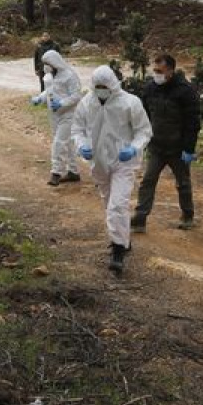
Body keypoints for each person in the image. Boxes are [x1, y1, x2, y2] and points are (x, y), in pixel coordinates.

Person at [72, 66, 152, 274]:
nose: (100, 90)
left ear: (113, 84)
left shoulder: (129, 102)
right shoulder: (86, 102)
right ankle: (124, 239)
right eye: (97, 86)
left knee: (118, 204)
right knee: (110, 204)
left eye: (104, 86)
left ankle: (117, 251)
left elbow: (144, 131)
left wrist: (133, 148)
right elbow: (77, 129)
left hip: (123, 162)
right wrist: (82, 146)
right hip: (99, 163)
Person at [132, 53, 201, 232]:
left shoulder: (185, 91)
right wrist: (142, 138)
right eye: (154, 70)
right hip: (156, 146)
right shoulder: (150, 89)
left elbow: (193, 122)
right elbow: (143, 116)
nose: (156, 74)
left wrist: (189, 148)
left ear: (170, 70)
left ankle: (187, 216)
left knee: (183, 183)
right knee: (147, 181)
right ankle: (140, 218)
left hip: (178, 148)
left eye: (160, 71)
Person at [31, 49, 84, 186]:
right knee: (66, 143)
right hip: (54, 115)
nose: (45, 66)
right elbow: (49, 91)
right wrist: (40, 98)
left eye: (47, 63)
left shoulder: (69, 76)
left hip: (68, 115)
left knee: (59, 143)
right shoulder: (50, 76)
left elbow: (76, 96)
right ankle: (73, 171)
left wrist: (62, 103)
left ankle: (56, 172)